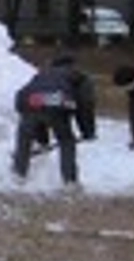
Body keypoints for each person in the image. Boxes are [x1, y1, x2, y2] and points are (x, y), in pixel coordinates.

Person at [11, 56, 84, 187]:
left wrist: (42, 140)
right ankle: (70, 180)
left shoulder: (41, 75)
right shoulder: (76, 76)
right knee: (66, 140)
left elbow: (25, 98)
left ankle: (18, 174)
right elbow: (85, 103)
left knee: (25, 137)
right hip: (57, 104)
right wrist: (87, 130)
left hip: (29, 102)